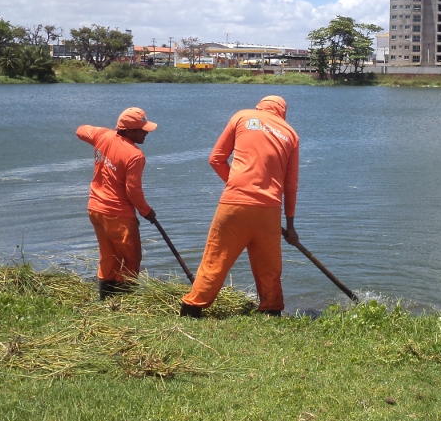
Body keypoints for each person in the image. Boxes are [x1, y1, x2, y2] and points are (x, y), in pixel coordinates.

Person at [180, 95, 299, 317]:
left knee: (215, 260)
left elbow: (216, 159)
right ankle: (271, 311)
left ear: (260, 107)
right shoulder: (290, 134)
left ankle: (192, 309)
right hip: (269, 211)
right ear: (282, 112)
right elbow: (290, 185)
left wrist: (236, 184)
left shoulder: (242, 116)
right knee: (269, 269)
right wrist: (290, 225)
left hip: (233, 205)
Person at [77, 107, 157, 300]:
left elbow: (80, 130)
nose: (146, 132)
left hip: (95, 209)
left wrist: (104, 136)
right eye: (141, 129)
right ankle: (125, 303)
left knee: (109, 257)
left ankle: (105, 300)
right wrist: (147, 212)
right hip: (118, 214)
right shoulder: (135, 155)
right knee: (131, 259)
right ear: (129, 131)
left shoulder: (102, 136)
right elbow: (133, 191)